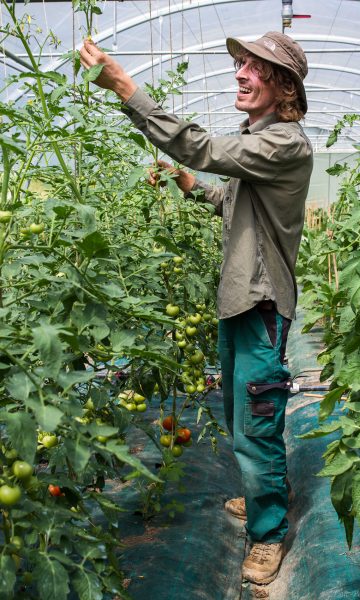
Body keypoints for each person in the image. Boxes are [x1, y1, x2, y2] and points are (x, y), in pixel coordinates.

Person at [80, 30, 313, 586]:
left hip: (261, 305)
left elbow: (201, 146)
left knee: (256, 425)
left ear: (283, 86)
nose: (239, 73)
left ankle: (269, 532)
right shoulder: (256, 144)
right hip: (238, 303)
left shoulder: (285, 143)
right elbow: (226, 197)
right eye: (239, 64)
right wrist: (191, 186)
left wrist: (126, 90)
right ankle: (261, 498)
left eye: (254, 67)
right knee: (239, 417)